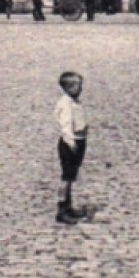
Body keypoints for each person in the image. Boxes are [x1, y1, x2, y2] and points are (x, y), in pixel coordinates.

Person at [54, 71, 90, 225]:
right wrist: (71, 142)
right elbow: (66, 125)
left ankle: (68, 206)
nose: (81, 89)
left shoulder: (74, 102)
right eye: (77, 86)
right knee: (67, 177)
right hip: (71, 142)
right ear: (68, 88)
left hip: (79, 140)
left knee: (71, 176)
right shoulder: (66, 104)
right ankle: (62, 209)